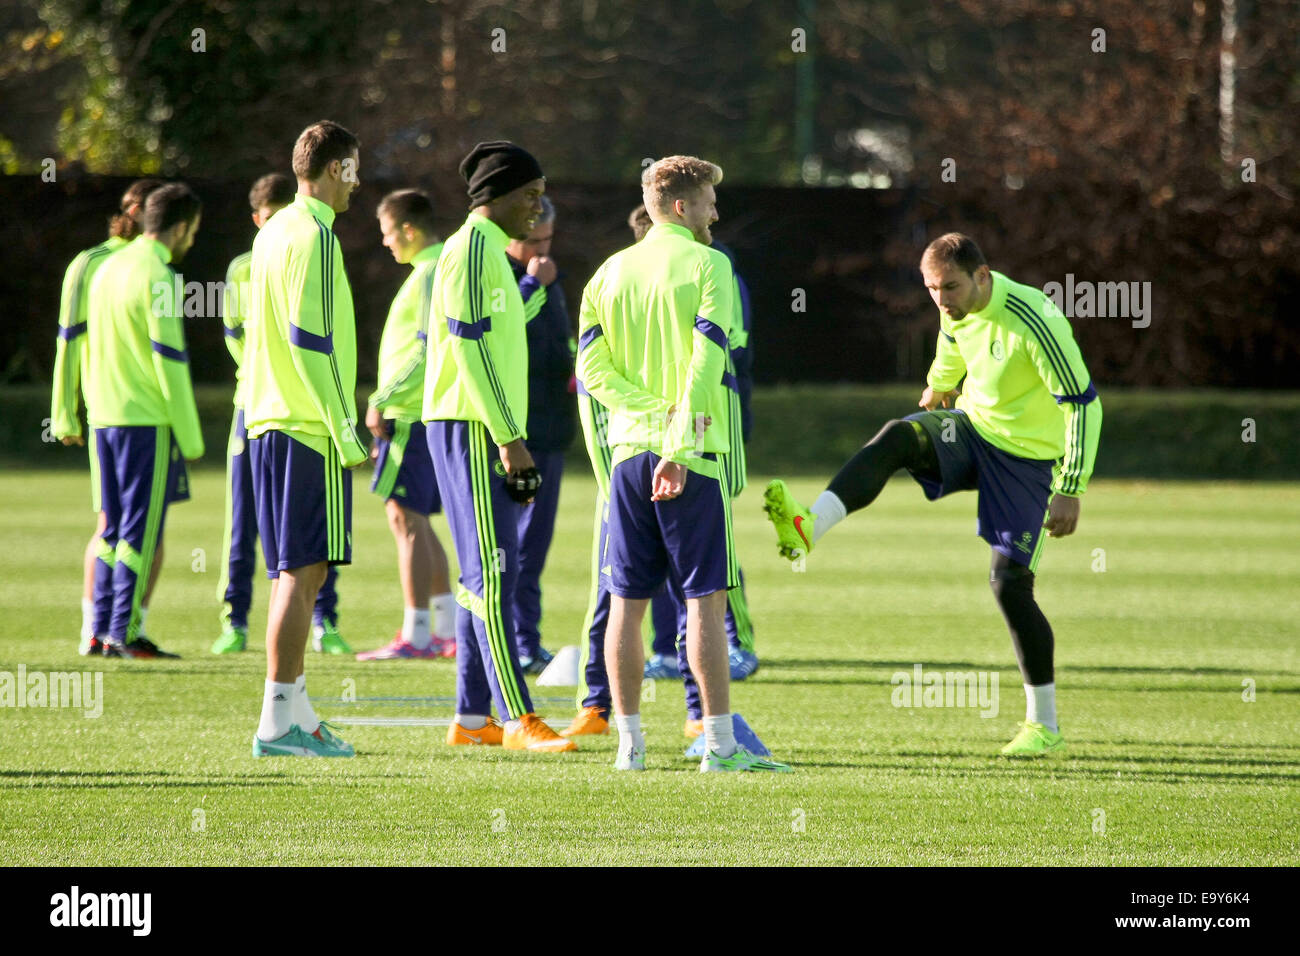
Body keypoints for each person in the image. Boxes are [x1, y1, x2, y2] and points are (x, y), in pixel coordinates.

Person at [763, 232, 1102, 757]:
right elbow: (950, 345)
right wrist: (938, 385)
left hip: (1029, 461)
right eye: (931, 288)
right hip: (971, 430)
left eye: (950, 287)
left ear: (983, 277)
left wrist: (1071, 487)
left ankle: (1044, 725)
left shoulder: (1035, 318)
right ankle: (809, 526)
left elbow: (1083, 403)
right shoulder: (956, 309)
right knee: (899, 435)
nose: (941, 299)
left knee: (1009, 584)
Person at [575, 154, 790, 772]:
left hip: (626, 458)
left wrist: (647, 414)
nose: (716, 212)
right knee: (705, 602)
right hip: (689, 456)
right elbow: (708, 361)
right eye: (707, 202)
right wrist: (675, 437)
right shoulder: (710, 264)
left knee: (625, 602)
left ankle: (629, 748)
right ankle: (719, 746)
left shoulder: (607, 273)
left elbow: (591, 373)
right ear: (680, 206)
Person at [423, 140, 575, 753]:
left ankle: (471, 717)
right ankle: (518, 717)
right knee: (492, 571)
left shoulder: (488, 254)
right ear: (499, 197)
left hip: (479, 426)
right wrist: (508, 437)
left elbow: (497, 332)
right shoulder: (470, 252)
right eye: (531, 198)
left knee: (482, 575)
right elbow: (468, 347)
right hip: (473, 428)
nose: (538, 212)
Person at [245, 120, 369, 757]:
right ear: (335, 168)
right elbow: (309, 340)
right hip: (304, 424)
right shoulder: (316, 235)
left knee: (299, 571)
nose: (359, 180)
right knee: (301, 571)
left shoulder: (273, 233)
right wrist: (344, 424)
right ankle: (278, 720)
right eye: (354, 167)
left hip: (269, 419)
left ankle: (293, 709)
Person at [212, 172, 346, 654]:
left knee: (309, 533)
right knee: (243, 521)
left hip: (292, 407)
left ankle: (325, 621)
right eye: (265, 218)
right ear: (256, 219)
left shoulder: (305, 245)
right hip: (250, 406)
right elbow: (232, 333)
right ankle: (235, 620)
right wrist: (260, 369)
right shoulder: (243, 266)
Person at [84, 182, 205, 658]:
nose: (192, 241)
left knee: (112, 530)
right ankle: (124, 633)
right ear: (179, 228)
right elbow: (169, 359)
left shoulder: (108, 267)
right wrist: (192, 439)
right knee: (139, 531)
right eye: (192, 231)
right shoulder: (158, 276)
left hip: (105, 416)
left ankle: (99, 631)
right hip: (144, 421)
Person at [51, 178, 168, 655]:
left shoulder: (157, 265)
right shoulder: (91, 263)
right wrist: (64, 411)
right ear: (137, 209)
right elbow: (69, 337)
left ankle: (130, 626)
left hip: (155, 415)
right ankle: (93, 629)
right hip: (110, 415)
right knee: (112, 523)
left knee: (153, 526)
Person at [355, 188, 458, 660]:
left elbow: (423, 348)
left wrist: (382, 398)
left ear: (409, 229)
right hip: (417, 413)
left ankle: (418, 635)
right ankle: (444, 629)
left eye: (388, 233)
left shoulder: (430, 274)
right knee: (412, 517)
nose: (385, 243)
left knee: (406, 519)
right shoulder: (429, 270)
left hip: (411, 413)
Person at [504, 195, 576, 674]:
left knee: (535, 546)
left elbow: (560, 340)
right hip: (513, 436)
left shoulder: (552, 279)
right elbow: (505, 331)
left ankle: (527, 639)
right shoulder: (506, 277)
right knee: (511, 548)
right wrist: (533, 284)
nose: (541, 251)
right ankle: (512, 642)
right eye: (532, 241)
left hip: (551, 430)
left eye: (547, 240)